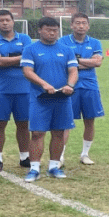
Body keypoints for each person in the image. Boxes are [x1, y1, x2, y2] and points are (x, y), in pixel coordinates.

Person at [19, 16, 77, 181]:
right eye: (49, 30)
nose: (52, 33)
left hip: (62, 98)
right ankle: (34, 168)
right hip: (40, 98)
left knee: (59, 133)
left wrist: (70, 86)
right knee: (37, 133)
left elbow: (73, 71)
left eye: (55, 30)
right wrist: (44, 84)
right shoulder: (31, 49)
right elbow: (28, 71)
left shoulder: (66, 50)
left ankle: (53, 166)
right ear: (40, 30)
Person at [62, 13, 104, 166]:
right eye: (77, 23)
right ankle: (60, 156)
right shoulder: (63, 41)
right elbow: (63, 63)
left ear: (88, 26)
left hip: (89, 85)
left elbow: (98, 63)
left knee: (90, 121)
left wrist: (75, 61)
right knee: (66, 121)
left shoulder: (95, 42)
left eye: (83, 23)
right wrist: (88, 62)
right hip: (69, 85)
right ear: (71, 25)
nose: (80, 26)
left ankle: (85, 154)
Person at [0, 8, 32, 171]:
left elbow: (30, 58)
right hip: (1, 90)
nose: (4, 23)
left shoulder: (25, 38)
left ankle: (25, 157)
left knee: (23, 124)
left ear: (13, 22)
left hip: (24, 89)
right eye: (1, 20)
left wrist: (7, 59)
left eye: (7, 20)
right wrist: (20, 58)